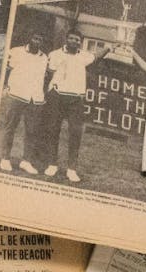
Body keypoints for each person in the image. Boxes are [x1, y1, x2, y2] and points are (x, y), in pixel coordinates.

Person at [37, 31, 112, 183]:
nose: (74, 41)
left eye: (77, 40)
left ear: (80, 42)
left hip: (76, 99)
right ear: (66, 39)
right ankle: (52, 164)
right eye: (71, 38)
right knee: (53, 130)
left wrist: (109, 48)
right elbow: (48, 75)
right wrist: (49, 93)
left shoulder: (84, 56)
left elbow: (96, 56)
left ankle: (72, 169)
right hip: (57, 96)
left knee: (75, 133)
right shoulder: (54, 54)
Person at [0, 31, 49, 175]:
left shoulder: (44, 58)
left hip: (35, 99)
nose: (37, 41)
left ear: (42, 42)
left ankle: (26, 161)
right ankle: (5, 159)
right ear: (30, 38)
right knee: (10, 127)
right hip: (16, 95)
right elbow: (4, 71)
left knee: (31, 131)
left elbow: (45, 77)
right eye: (35, 38)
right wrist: (5, 87)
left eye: (40, 39)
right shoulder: (16, 51)